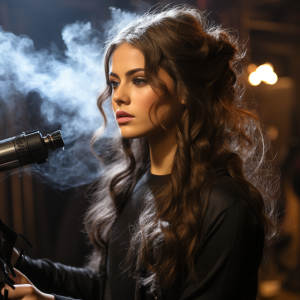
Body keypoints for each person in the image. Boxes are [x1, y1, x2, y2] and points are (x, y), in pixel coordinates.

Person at [2, 4, 279, 300]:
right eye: (114, 82)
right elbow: (105, 289)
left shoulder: (225, 207)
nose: (118, 96)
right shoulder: (134, 184)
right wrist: (16, 260)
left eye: (138, 80)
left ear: (184, 89)